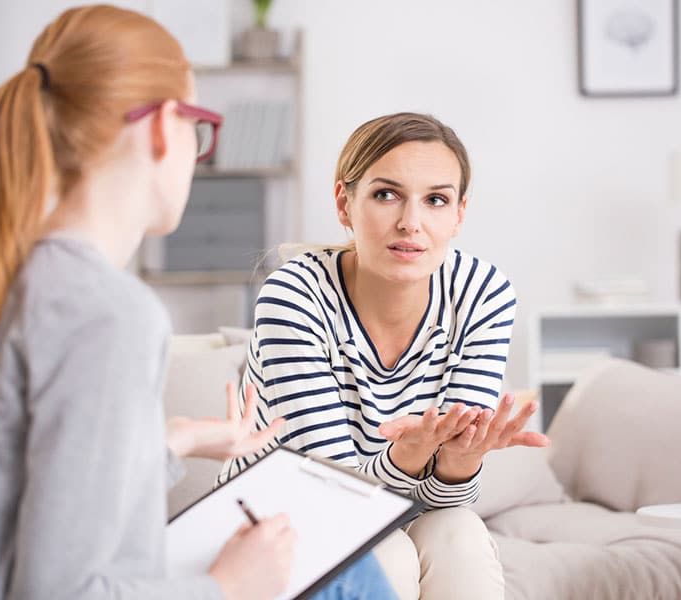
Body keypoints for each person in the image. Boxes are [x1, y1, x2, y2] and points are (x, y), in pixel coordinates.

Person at [0, 6, 394, 600]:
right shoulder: (106, 312)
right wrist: (230, 587)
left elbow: (29, 497)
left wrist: (174, 439)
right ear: (163, 127)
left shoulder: (5, 276)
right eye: (199, 126)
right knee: (346, 573)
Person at [219, 112, 551, 599]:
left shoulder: (482, 293)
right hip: (276, 519)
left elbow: (450, 500)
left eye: (435, 200)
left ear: (458, 214)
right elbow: (332, 494)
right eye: (386, 194)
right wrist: (410, 455)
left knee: (459, 534)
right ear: (344, 203)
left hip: (394, 509)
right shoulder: (295, 294)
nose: (410, 223)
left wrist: (459, 460)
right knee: (388, 552)